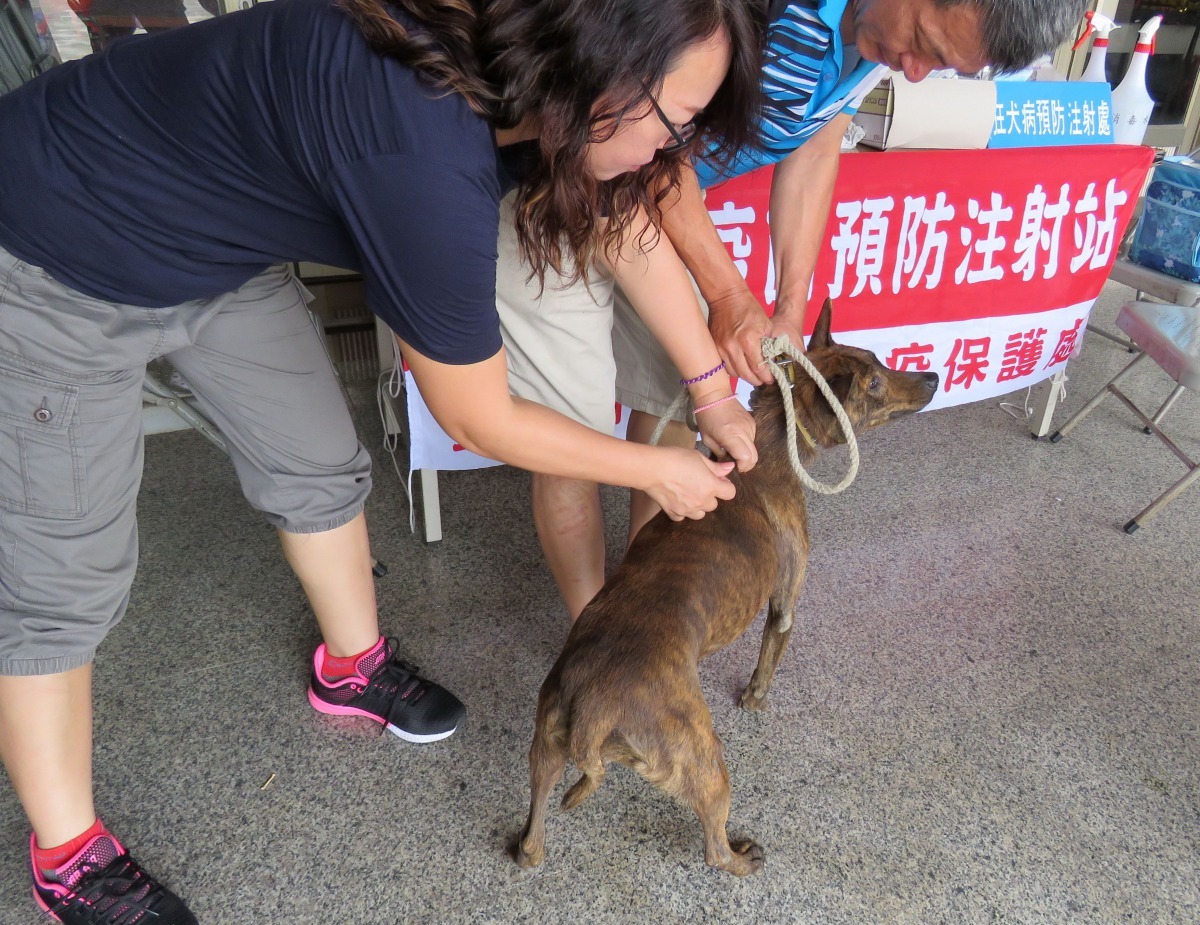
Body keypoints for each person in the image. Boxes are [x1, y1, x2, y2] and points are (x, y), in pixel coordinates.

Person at [0, 0, 766, 920]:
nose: (667, 155)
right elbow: (479, 415)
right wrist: (656, 471)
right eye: (671, 125)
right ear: (597, 68)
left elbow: (628, 215)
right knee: (61, 576)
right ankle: (69, 853)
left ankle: (352, 666)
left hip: (218, 244)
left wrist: (713, 393)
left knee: (318, 460)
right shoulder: (423, 150)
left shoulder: (522, 86)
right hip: (52, 247)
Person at [497, 0, 1086, 620]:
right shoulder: (762, 14)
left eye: (939, 66)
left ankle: (642, 606)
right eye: (924, 42)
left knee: (681, 391)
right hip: (559, 185)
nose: (913, 72)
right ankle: (596, 635)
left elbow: (813, 149)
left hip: (646, 203)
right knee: (574, 435)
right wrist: (726, 295)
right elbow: (655, 144)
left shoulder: (875, 41)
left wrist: (789, 308)